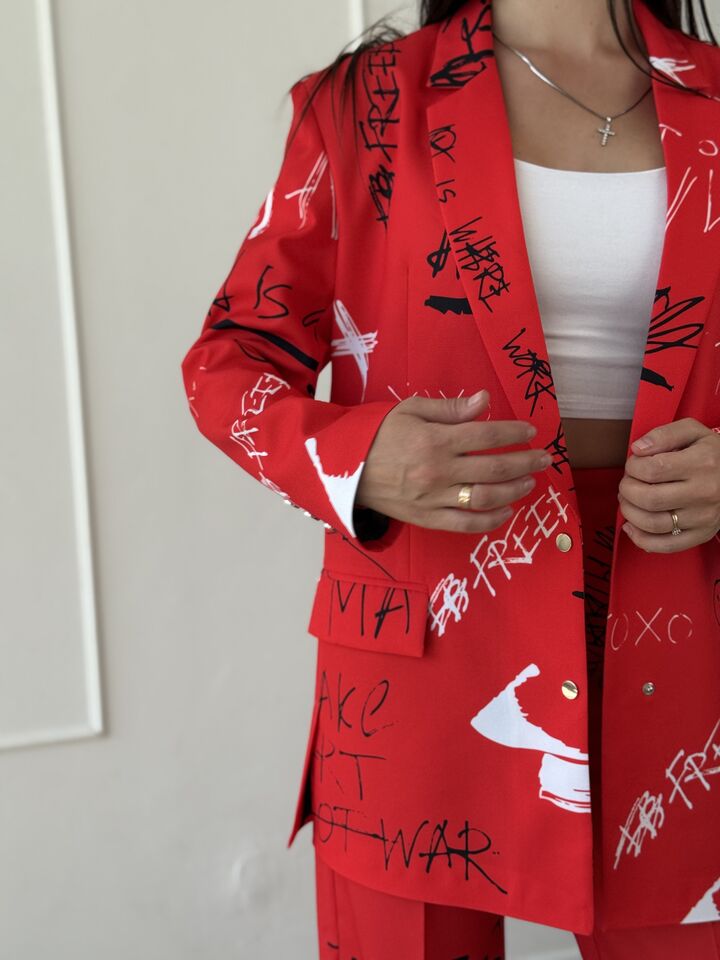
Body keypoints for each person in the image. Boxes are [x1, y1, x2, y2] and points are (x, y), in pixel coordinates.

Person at [180, 0, 720, 955]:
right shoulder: (363, 106)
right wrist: (360, 459)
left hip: (684, 632)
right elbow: (227, 364)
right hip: (423, 641)